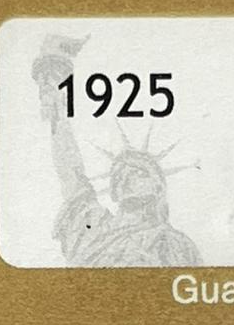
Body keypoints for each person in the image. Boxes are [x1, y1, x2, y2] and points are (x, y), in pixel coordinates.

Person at [32, 36, 201, 267]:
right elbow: (70, 172)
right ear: (113, 191)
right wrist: (56, 106)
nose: (127, 178)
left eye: (139, 173)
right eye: (120, 175)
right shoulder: (93, 228)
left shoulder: (173, 243)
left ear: (158, 187)